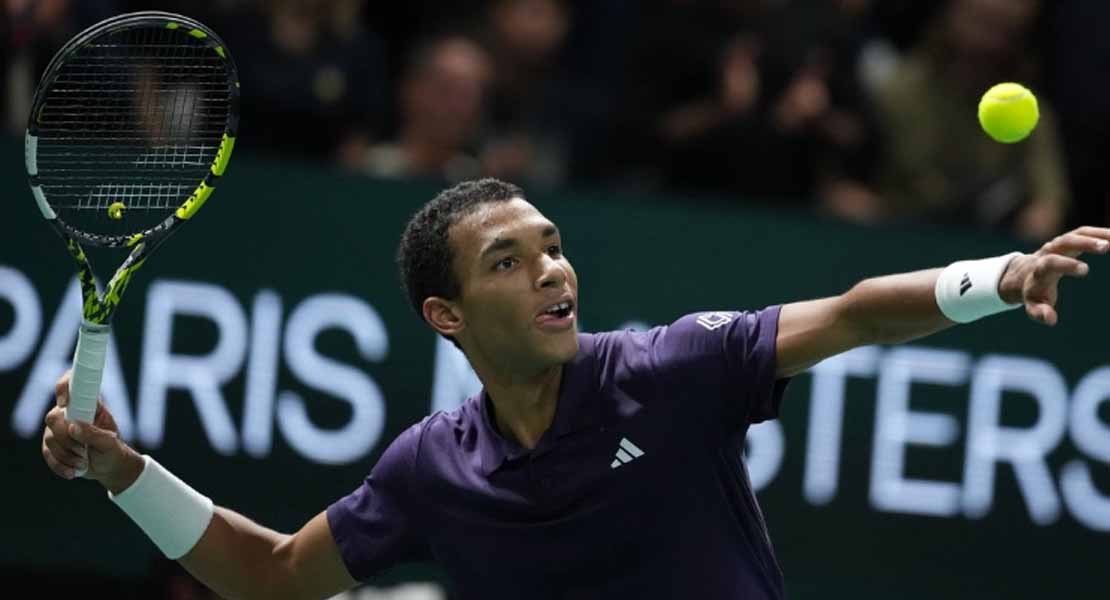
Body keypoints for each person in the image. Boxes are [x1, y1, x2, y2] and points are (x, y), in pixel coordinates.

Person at [41, 178, 1108, 599]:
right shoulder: (431, 468)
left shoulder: (671, 372)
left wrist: (998, 278)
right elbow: (271, 577)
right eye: (508, 262)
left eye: (552, 248)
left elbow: (861, 311)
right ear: (446, 314)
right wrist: (125, 472)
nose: (552, 272)